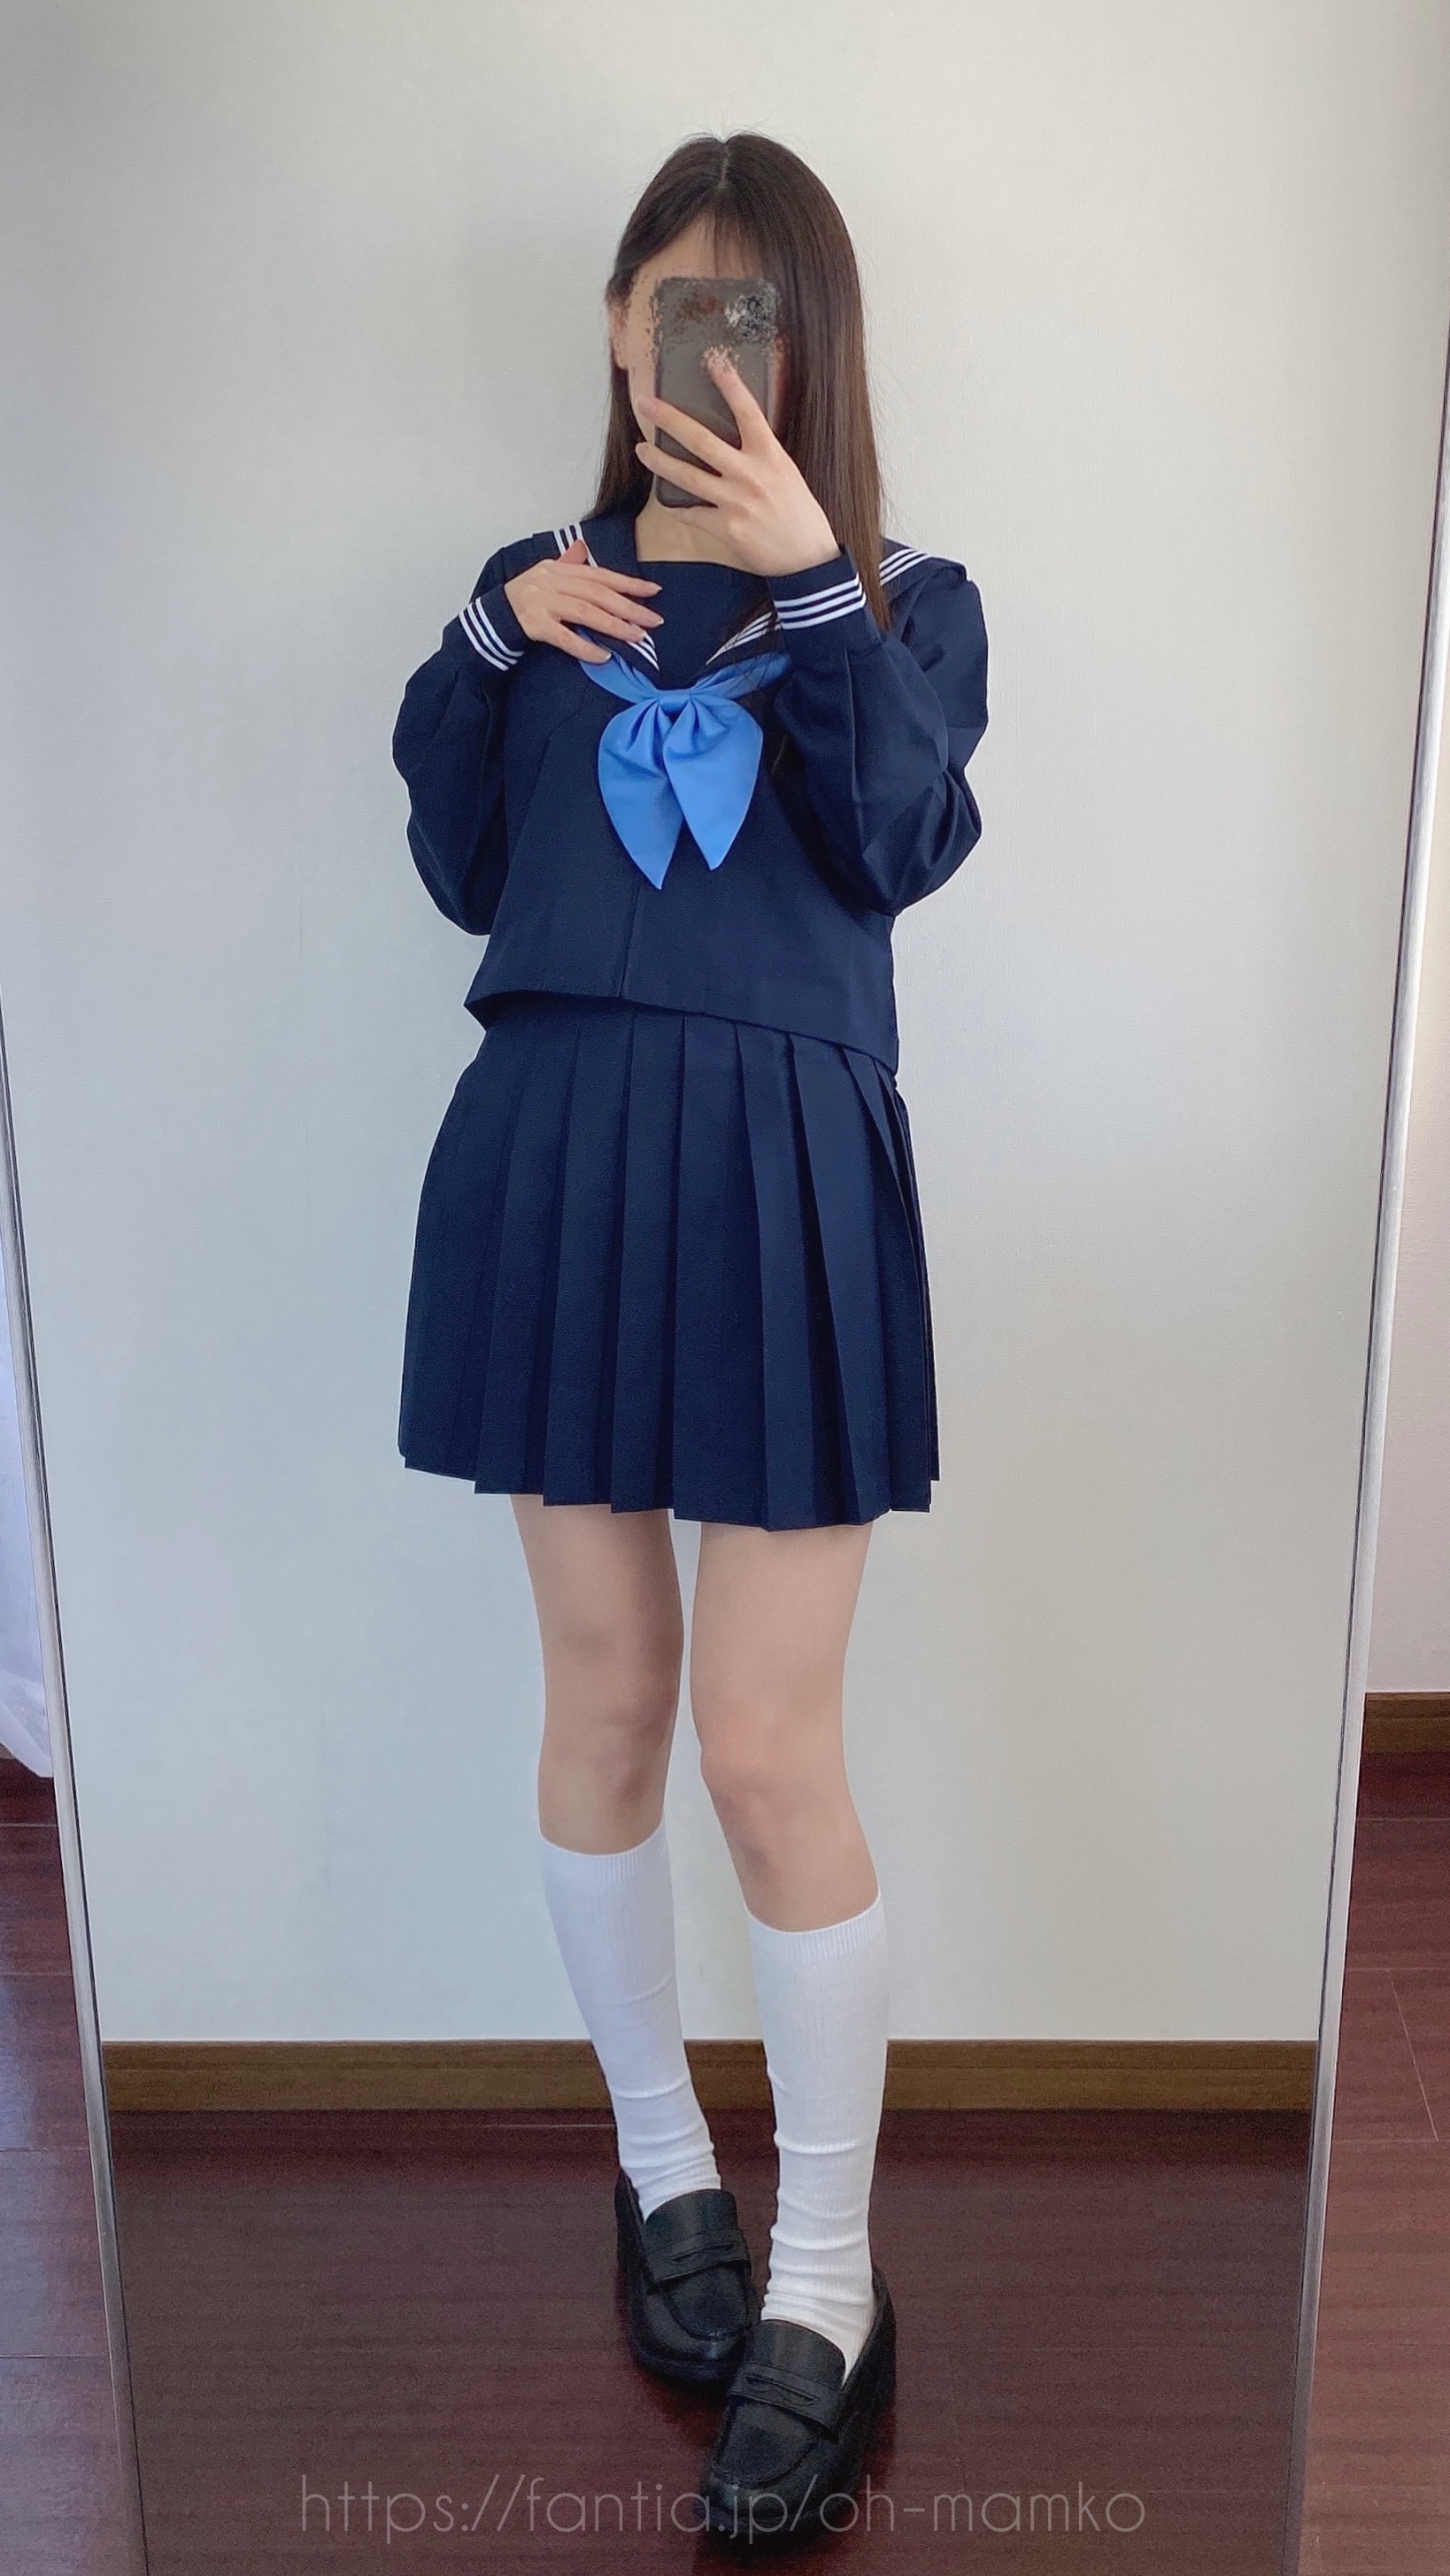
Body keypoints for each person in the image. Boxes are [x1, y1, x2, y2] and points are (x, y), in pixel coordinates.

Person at [391, 129, 988, 2546]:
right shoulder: (539, 603)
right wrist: (491, 634)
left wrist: (814, 591)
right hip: (553, 1154)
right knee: (609, 1701)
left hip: (783, 1175)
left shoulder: (908, 603)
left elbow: (905, 843)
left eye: (749, 310)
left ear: (807, 350)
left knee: (762, 1742)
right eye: (667, 304)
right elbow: (458, 861)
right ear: (619, 331)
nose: (702, 345)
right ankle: (664, 2174)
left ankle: (828, 2278)